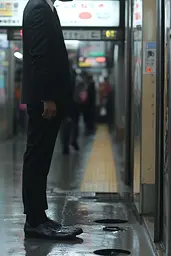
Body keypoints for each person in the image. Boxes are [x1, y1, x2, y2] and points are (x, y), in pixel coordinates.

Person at [21, 0, 83, 239]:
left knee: (41, 157)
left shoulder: (47, 8)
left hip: (48, 98)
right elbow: (39, 53)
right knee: (37, 157)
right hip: (44, 99)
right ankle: (34, 221)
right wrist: (47, 96)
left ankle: (39, 217)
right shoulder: (38, 7)